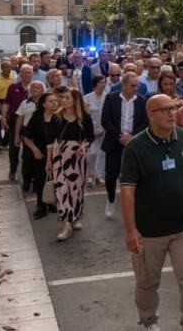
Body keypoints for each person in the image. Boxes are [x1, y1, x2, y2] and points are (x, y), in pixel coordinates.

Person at [119, 94, 183, 331]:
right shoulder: (135, 147)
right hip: (149, 231)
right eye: (164, 110)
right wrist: (130, 230)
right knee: (147, 283)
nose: (171, 113)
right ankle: (149, 322)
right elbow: (127, 190)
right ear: (151, 115)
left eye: (173, 108)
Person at [47, 87, 94, 241]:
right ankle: (66, 224)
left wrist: (84, 146)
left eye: (67, 98)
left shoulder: (85, 117)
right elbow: (50, 140)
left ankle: (75, 217)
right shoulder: (57, 117)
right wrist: (48, 160)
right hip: (59, 155)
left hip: (77, 157)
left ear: (75, 100)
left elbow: (90, 137)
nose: (63, 100)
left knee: (76, 189)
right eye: (62, 98)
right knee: (62, 189)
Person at [101, 72, 148, 219]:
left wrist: (132, 136)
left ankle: (134, 203)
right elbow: (105, 121)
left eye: (137, 85)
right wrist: (119, 136)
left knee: (135, 175)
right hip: (114, 141)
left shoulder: (141, 101)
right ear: (123, 85)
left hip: (133, 142)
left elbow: (144, 123)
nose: (135, 88)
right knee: (110, 175)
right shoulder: (111, 98)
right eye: (132, 85)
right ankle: (110, 199)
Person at [22, 90, 57, 219]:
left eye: (55, 101)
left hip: (57, 152)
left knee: (55, 178)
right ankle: (41, 205)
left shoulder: (59, 117)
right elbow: (26, 137)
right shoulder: (37, 117)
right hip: (40, 153)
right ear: (43, 104)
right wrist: (35, 150)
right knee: (41, 179)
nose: (54, 103)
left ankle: (52, 202)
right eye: (51, 101)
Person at [15, 80, 45, 194]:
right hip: (28, 133)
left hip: (42, 133)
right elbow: (19, 120)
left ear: (42, 90)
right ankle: (27, 181)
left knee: (40, 159)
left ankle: (38, 183)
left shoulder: (45, 102)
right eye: (33, 88)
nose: (35, 90)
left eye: (38, 88)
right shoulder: (25, 103)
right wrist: (17, 135)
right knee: (27, 159)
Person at [5, 64, 34, 185]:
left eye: (29, 72)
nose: (27, 74)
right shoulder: (13, 87)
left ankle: (28, 174)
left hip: (30, 122)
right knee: (14, 148)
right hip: (14, 121)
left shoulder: (35, 88)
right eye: (25, 72)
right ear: (21, 74)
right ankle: (13, 169)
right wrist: (2, 118)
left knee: (29, 149)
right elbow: (6, 103)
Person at [83, 75, 108, 187]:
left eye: (104, 82)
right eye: (101, 82)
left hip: (104, 129)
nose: (103, 84)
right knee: (91, 153)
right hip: (91, 130)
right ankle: (89, 175)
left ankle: (99, 176)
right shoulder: (87, 98)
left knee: (102, 153)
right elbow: (85, 115)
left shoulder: (107, 97)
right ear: (95, 84)